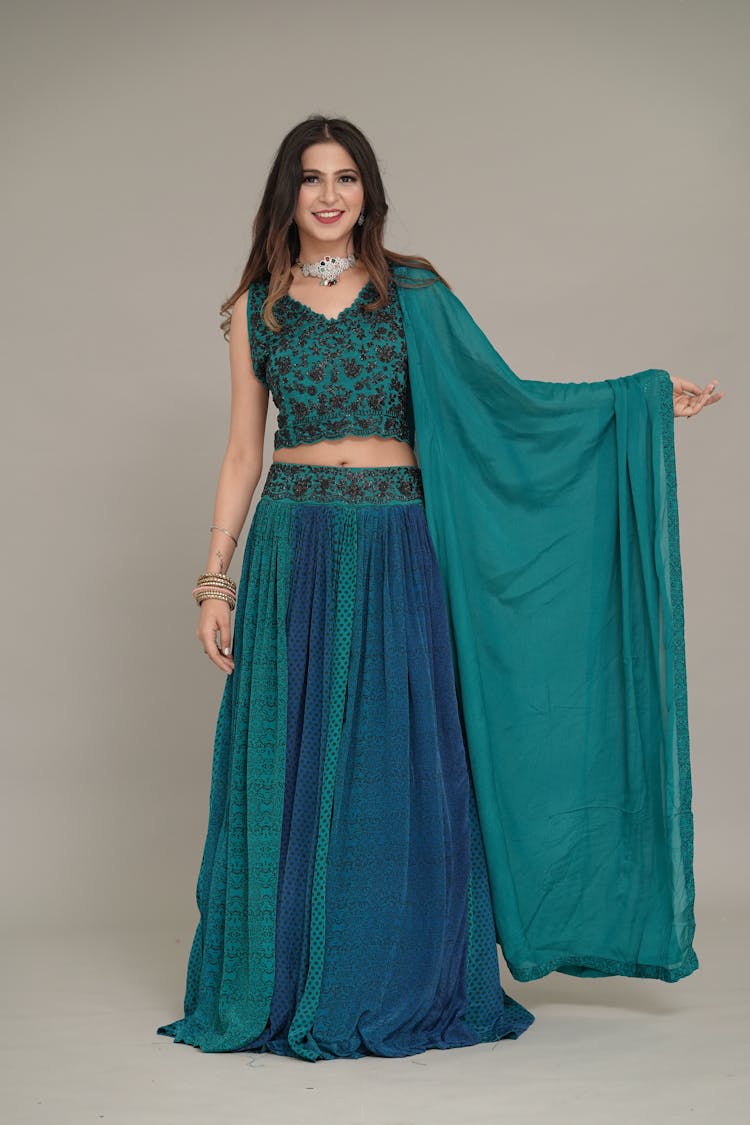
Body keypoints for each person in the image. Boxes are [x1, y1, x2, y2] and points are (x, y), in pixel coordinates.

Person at [156, 115, 723, 1063]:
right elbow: (244, 450)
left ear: (369, 193)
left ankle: (397, 972)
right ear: (286, 195)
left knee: (399, 762)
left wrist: (635, 401)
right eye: (311, 178)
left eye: (347, 178)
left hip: (397, 538)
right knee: (289, 765)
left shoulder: (411, 292)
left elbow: (506, 403)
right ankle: (288, 976)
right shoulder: (258, 304)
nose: (331, 194)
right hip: (294, 540)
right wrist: (216, 576)